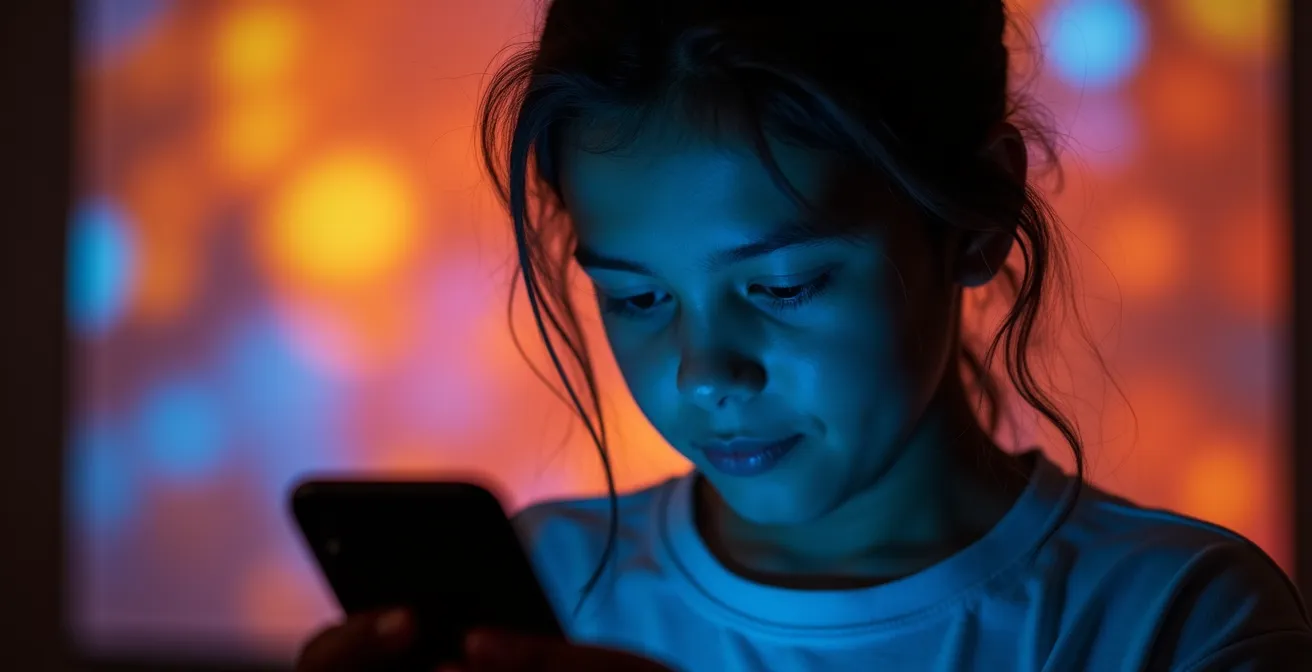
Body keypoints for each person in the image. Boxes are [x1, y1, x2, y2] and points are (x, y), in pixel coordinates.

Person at [295, 0, 1312, 670]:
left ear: (978, 216)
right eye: (638, 299)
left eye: (782, 286)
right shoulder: (548, 600)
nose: (705, 374)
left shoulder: (1173, 623)